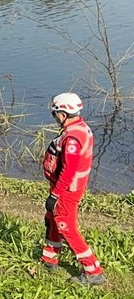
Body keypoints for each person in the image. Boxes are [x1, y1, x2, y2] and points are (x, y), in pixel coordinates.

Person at [40, 93, 105, 286]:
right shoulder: (79, 128)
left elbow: (69, 171)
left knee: (65, 225)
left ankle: (93, 271)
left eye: (55, 113)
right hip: (64, 186)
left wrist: (55, 195)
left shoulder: (73, 138)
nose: (55, 117)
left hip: (68, 189)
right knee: (52, 218)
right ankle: (50, 258)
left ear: (63, 113)